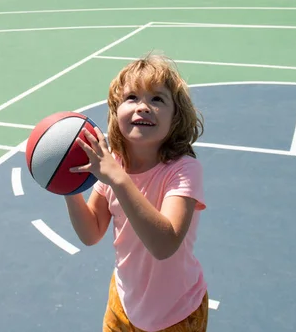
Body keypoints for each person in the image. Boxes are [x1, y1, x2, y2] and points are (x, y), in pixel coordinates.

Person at [64, 53, 208, 332]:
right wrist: (68, 187)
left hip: (176, 315)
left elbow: (164, 245)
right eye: (131, 98)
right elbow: (91, 232)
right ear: (116, 111)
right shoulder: (114, 163)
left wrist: (118, 179)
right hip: (123, 303)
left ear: (176, 117)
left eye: (157, 99)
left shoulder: (183, 170)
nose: (143, 107)